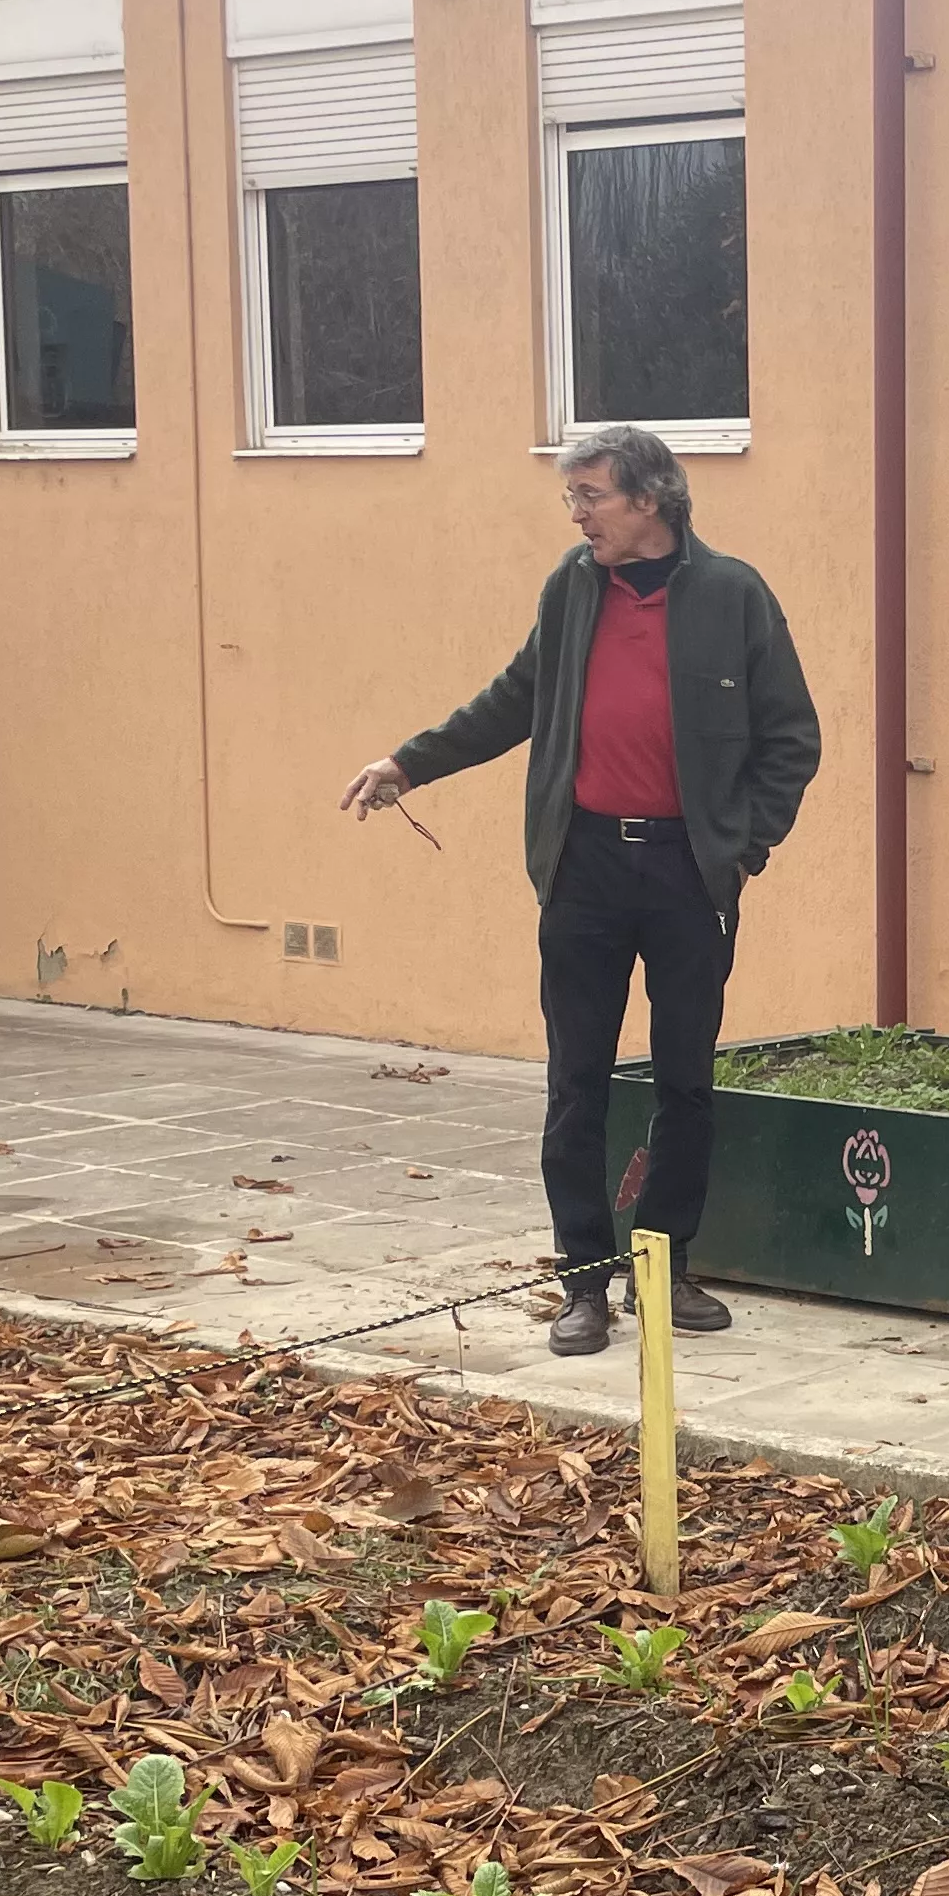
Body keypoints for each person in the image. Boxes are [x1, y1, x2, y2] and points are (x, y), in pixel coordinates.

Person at [340, 426, 820, 1357]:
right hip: (585, 867)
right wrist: (409, 763)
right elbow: (512, 700)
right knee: (577, 1081)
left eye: (591, 494)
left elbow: (791, 738)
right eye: (574, 497)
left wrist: (740, 848)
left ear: (651, 498)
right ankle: (581, 1282)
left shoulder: (733, 596)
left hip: (689, 870)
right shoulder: (571, 587)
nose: (577, 513)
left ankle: (665, 1268)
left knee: (684, 1078)